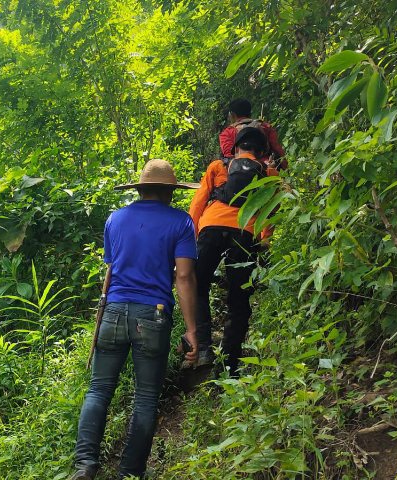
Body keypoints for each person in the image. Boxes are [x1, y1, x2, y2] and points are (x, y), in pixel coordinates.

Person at [71, 159, 200, 480]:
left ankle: (84, 465)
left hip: (113, 312)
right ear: (170, 192)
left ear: (140, 189)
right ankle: (130, 472)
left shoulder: (115, 220)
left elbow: (112, 268)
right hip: (152, 316)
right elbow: (184, 277)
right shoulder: (181, 223)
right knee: (145, 396)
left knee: (99, 389)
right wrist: (192, 330)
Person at [188, 127, 279, 375]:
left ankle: (204, 348)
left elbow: (197, 203)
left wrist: (191, 237)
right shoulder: (268, 173)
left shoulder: (218, 166)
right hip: (244, 231)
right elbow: (269, 212)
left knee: (197, 285)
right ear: (261, 152)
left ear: (235, 148)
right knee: (239, 300)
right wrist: (265, 240)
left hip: (210, 227)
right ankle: (229, 364)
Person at [219, 98, 287, 169]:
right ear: (250, 113)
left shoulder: (227, 133)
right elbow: (277, 150)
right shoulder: (265, 126)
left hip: (240, 171)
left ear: (232, 115)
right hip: (266, 168)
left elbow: (229, 157)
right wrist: (285, 169)